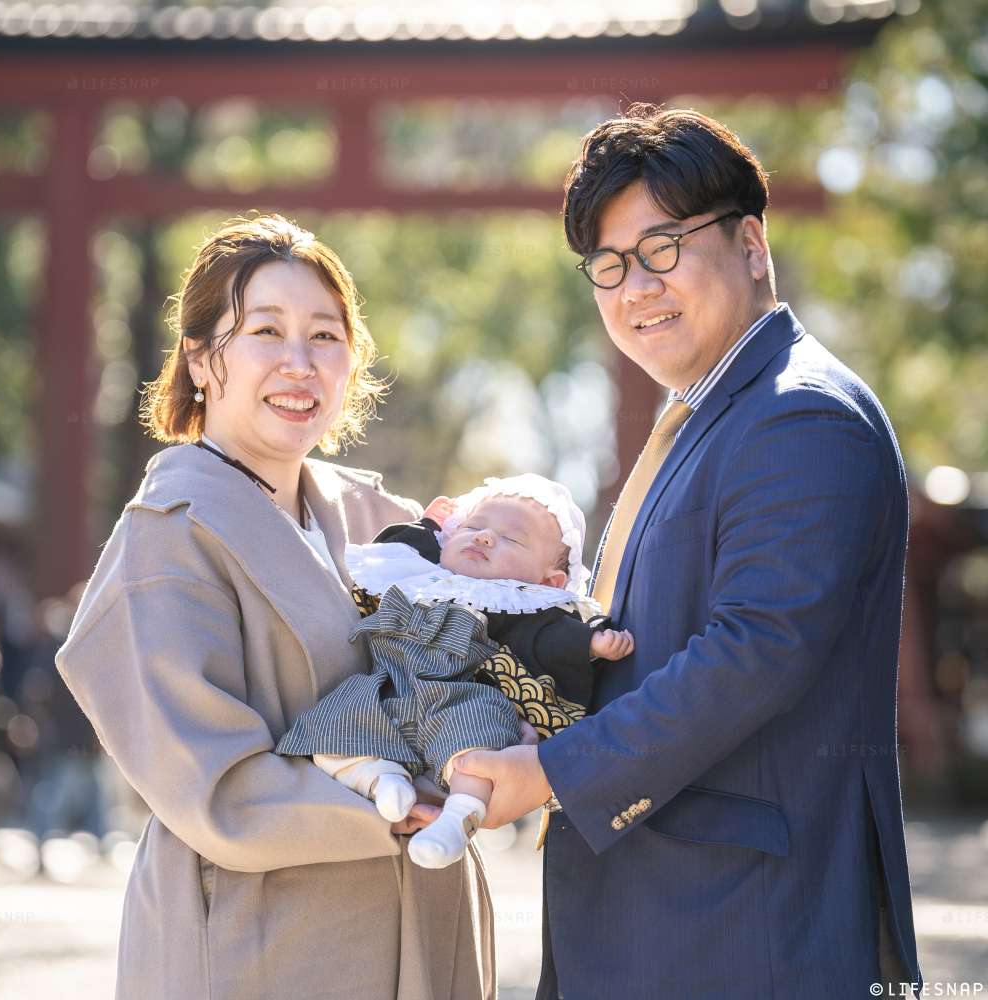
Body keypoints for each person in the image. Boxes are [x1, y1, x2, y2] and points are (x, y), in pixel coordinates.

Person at [455, 107, 922, 999]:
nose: (636, 287)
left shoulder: (799, 415)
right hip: (670, 922)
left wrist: (552, 772)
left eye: (663, 246)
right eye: (609, 264)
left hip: (744, 931)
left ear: (751, 243)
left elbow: (756, 652)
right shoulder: (711, 416)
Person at [56, 214, 495, 1000]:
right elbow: (212, 783)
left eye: (326, 336)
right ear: (199, 359)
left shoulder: (373, 520)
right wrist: (392, 807)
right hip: (262, 942)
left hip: (415, 925)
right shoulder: (168, 537)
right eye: (266, 330)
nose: (300, 363)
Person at [275, 474, 634, 869]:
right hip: (391, 686)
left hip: (457, 696)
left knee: (477, 740)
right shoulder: (417, 572)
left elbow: (549, 637)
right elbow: (400, 542)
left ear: (549, 581)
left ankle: (458, 817)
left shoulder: (516, 604)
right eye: (472, 526)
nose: (483, 538)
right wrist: (429, 524)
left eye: (510, 539)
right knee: (341, 712)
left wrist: (591, 642)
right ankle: (378, 777)